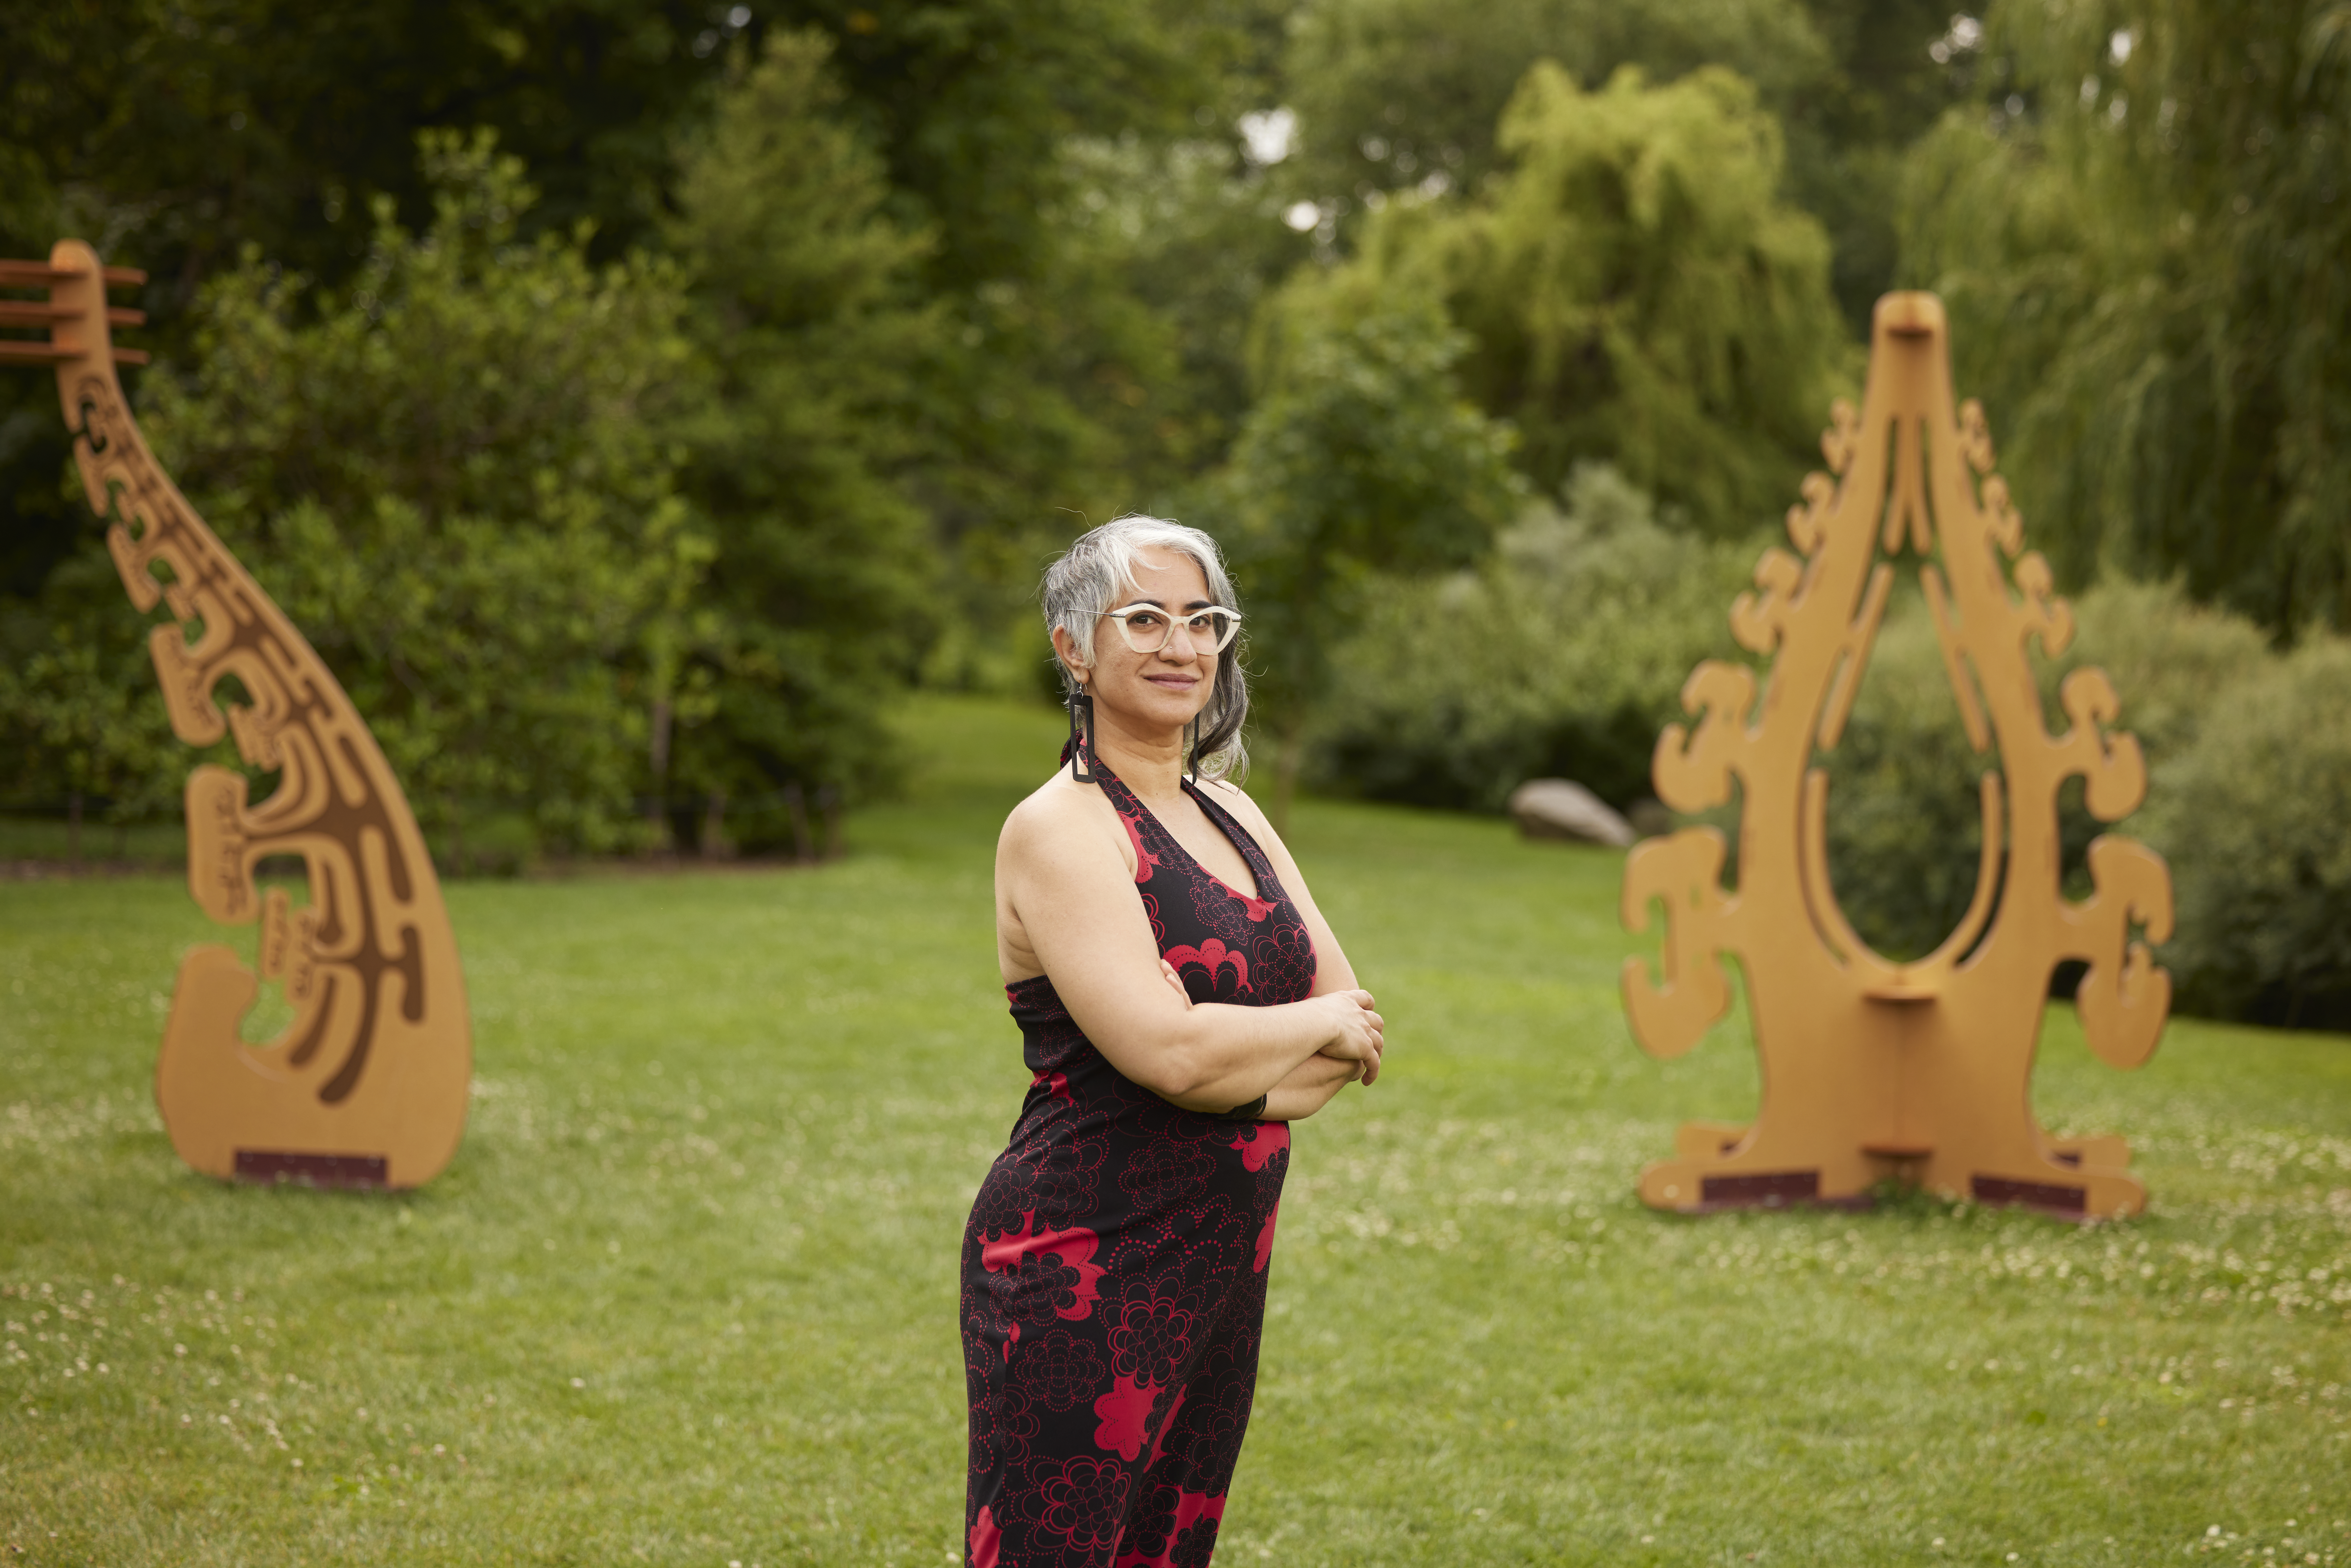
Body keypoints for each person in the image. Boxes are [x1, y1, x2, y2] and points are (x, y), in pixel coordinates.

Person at [960, 515, 1384, 1568]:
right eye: (1143, 618)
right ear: (1073, 646)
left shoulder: (1234, 811)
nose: (1181, 646)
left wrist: (1253, 1049)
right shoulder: (1062, 827)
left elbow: (1351, 1036)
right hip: (1081, 1257)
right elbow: (1172, 1055)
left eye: (1204, 620)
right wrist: (1279, 1038)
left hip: (1216, 1264)